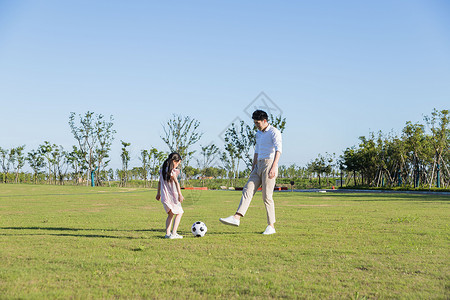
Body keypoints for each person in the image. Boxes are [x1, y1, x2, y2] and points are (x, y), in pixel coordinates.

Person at [220, 109, 282, 235]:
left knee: (267, 196)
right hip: (258, 165)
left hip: (269, 164)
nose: (256, 125)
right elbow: (257, 151)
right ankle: (236, 218)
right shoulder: (258, 134)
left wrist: (274, 167)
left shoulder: (274, 132)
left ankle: (271, 226)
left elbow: (278, 150)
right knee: (247, 189)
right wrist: (253, 167)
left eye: (258, 123)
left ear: (265, 121)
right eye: (255, 123)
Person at [156, 152, 185, 239]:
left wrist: (158, 193)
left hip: (165, 197)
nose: (177, 165)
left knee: (171, 214)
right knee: (180, 213)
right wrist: (180, 194)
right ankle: (174, 233)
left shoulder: (162, 171)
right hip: (172, 197)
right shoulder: (172, 172)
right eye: (178, 163)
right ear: (174, 161)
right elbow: (177, 183)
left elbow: (159, 182)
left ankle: (167, 234)